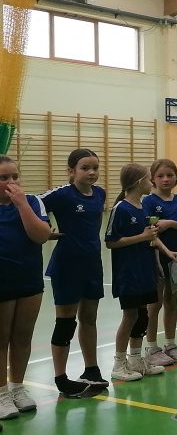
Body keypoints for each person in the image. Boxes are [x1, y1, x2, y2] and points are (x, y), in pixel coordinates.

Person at [39, 148, 108, 397]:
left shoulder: (100, 194)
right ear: (71, 171)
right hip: (67, 265)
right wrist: (44, 226)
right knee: (66, 322)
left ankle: (92, 370)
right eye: (85, 168)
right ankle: (61, 378)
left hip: (92, 265)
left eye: (95, 168)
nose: (91, 172)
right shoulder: (62, 194)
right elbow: (33, 203)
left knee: (89, 317)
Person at [105, 163, 172, 381]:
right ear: (139, 182)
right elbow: (111, 241)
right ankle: (119, 363)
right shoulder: (121, 208)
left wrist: (162, 256)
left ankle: (135, 359)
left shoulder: (142, 207)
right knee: (130, 316)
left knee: (142, 316)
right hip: (128, 272)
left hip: (145, 269)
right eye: (149, 178)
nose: (152, 182)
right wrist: (142, 237)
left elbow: (150, 237)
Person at [0, 155, 51, 419]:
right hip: (2, 281)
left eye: (15, 176)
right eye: (4, 177)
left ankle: (17, 388)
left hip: (29, 279)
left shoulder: (32, 202)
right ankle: (1, 394)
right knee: (1, 338)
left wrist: (21, 205)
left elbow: (41, 235)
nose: (11, 182)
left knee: (22, 337)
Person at [142, 159, 177, 366]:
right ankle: (151, 347)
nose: (165, 179)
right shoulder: (148, 202)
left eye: (170, 175)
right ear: (153, 179)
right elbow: (150, 231)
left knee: (172, 301)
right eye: (160, 176)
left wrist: (171, 223)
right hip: (155, 258)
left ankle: (170, 344)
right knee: (154, 304)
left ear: (176, 178)